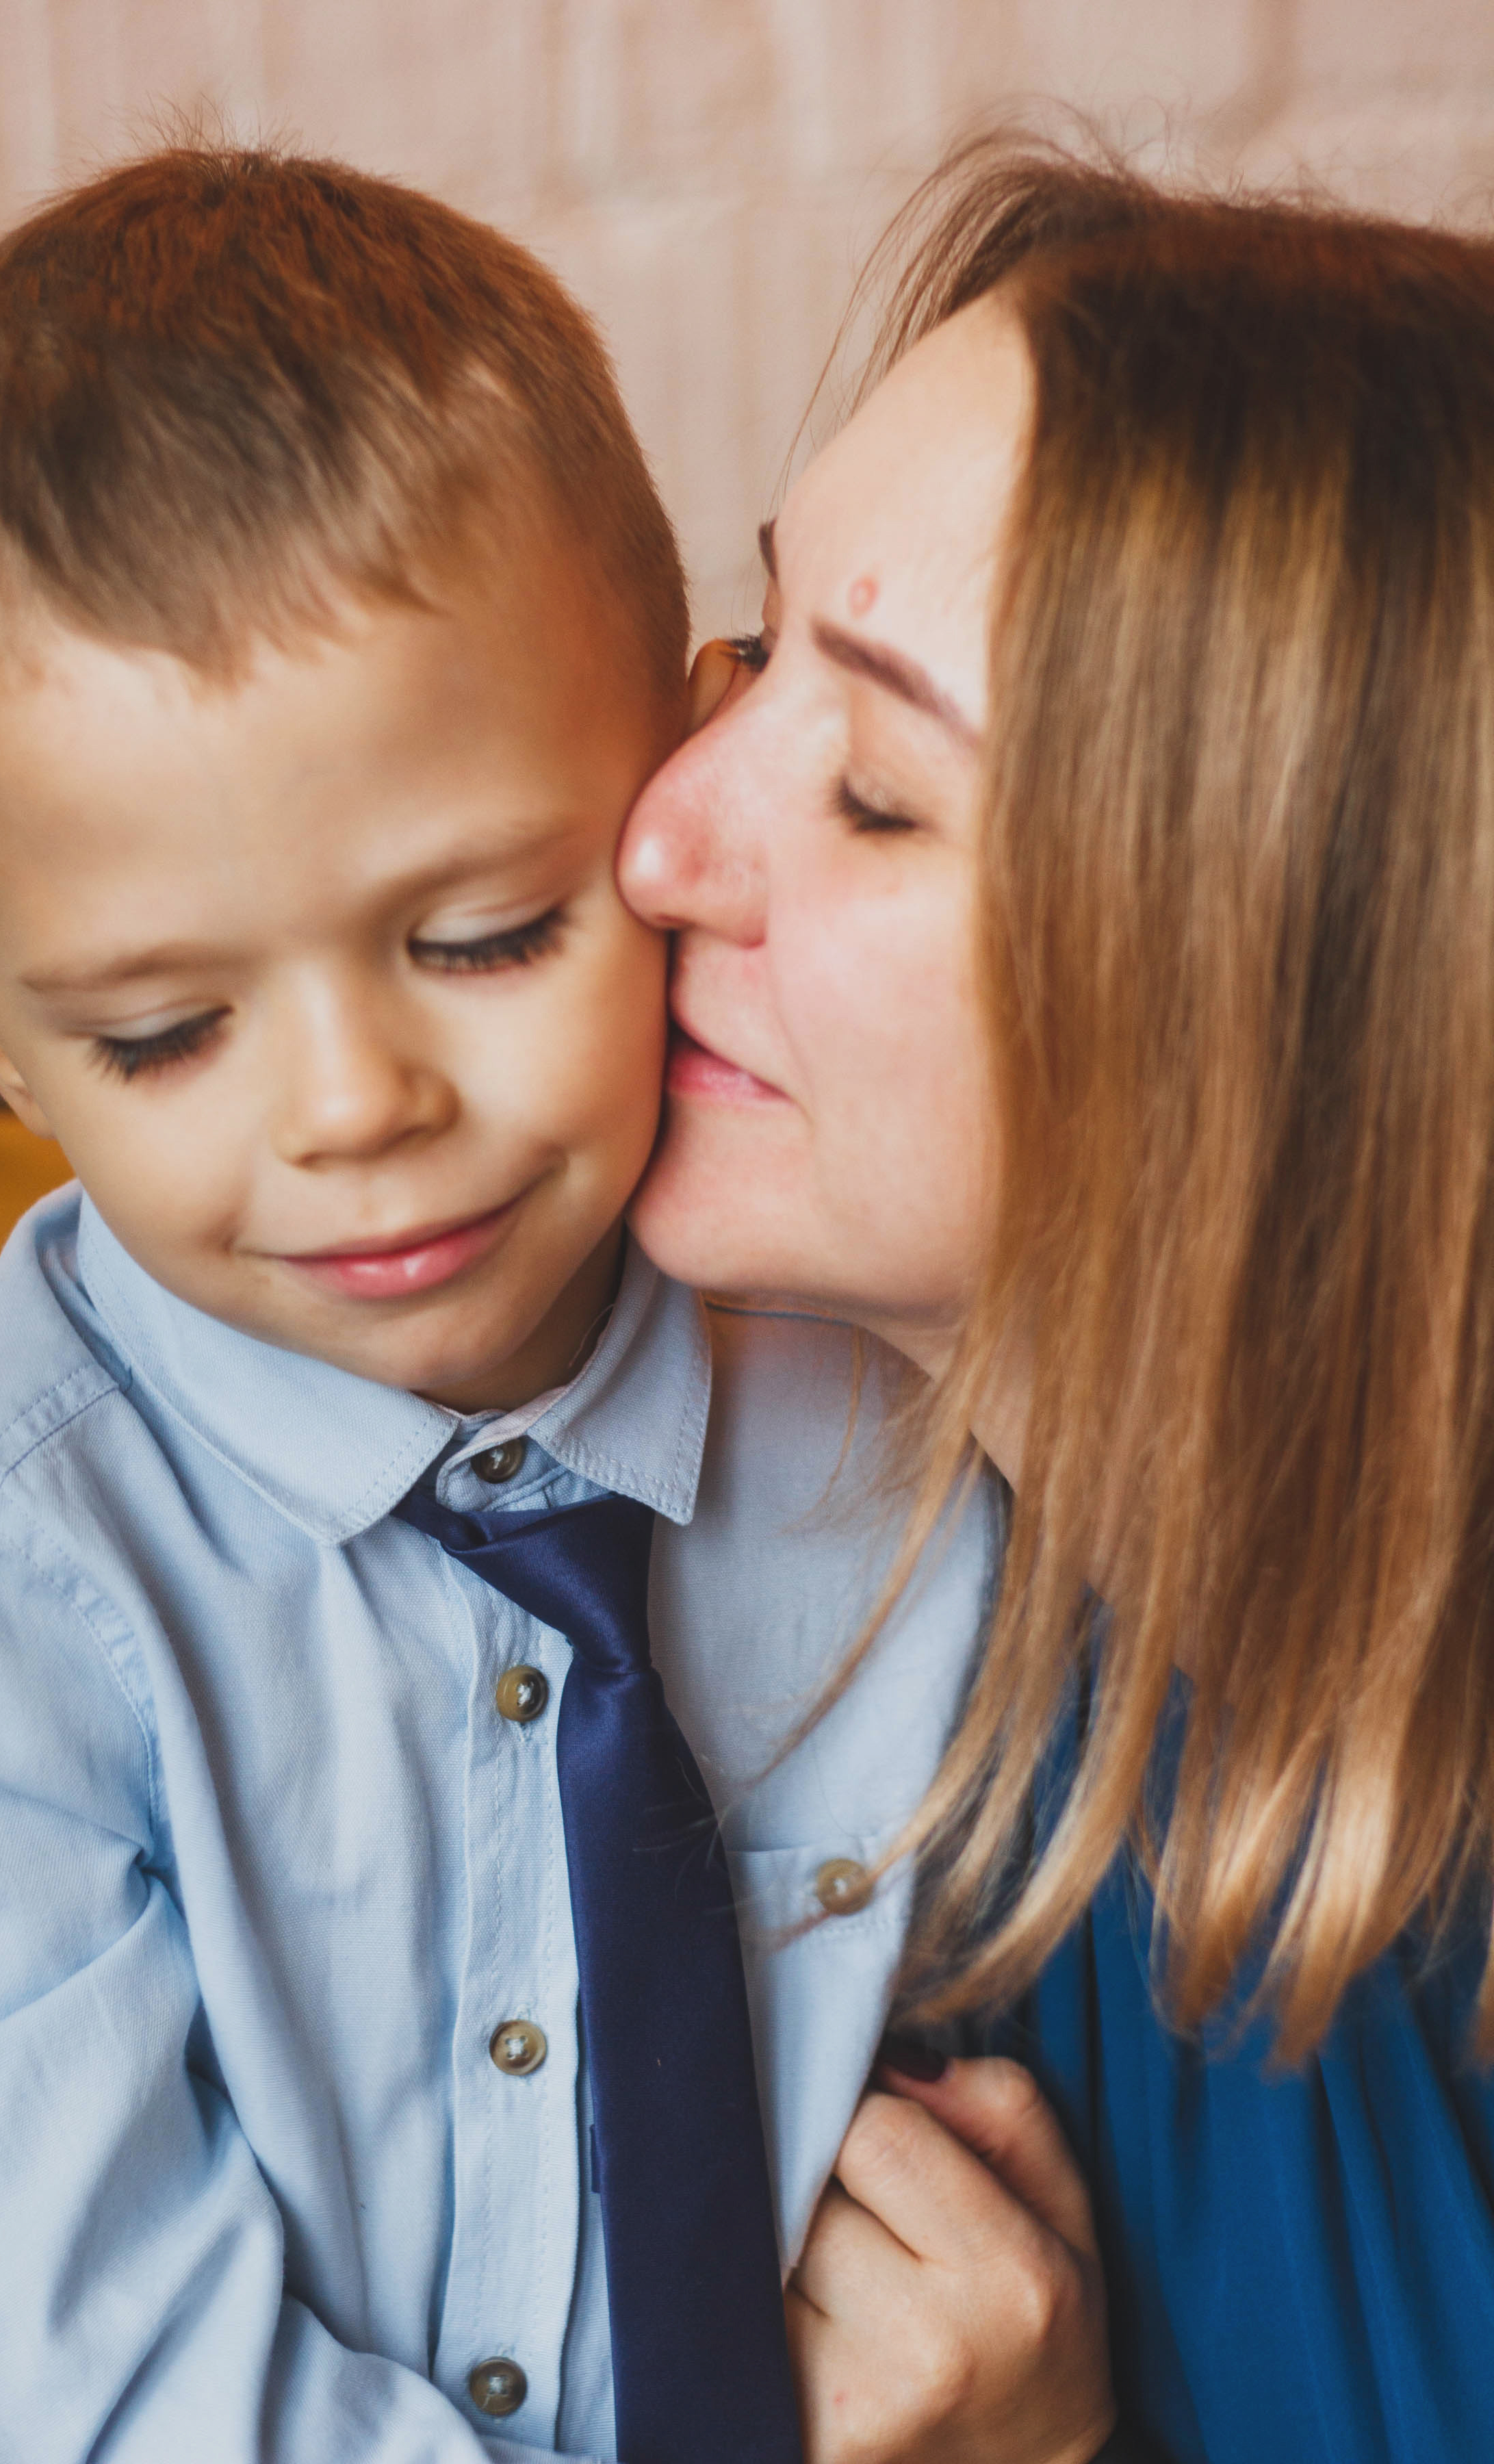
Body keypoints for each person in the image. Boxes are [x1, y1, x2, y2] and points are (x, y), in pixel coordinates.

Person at [0, 142, 1058, 2464]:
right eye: (161, 1031)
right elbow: (136, 2391)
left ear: (687, 777)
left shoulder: (908, 1411)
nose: (354, 1108)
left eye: (490, 938)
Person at [617, 138, 1494, 2462]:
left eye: (879, 792)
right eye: (751, 639)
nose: (657, 835)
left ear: (1300, 1011)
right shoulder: (826, 1655)